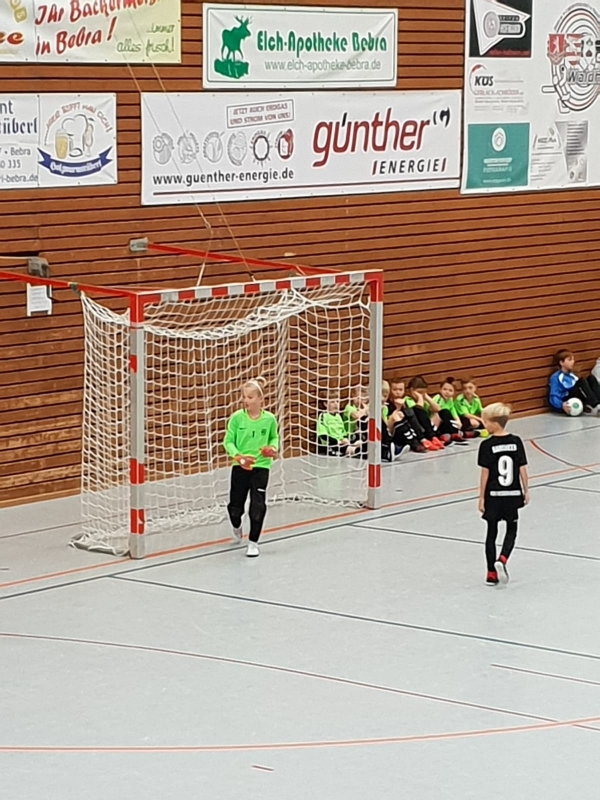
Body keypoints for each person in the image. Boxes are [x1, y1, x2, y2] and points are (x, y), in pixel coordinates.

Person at [223, 377, 279, 558]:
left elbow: (274, 438)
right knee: (235, 507)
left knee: (258, 505)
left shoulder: (269, 419)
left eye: (250, 397)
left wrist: (272, 449)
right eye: (244, 397)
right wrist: (238, 457)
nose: (246, 400)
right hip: (240, 467)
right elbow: (228, 441)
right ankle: (236, 524)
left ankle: (253, 542)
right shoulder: (237, 418)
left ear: (260, 399)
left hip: (261, 466)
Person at [477, 402, 529, 586]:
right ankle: (503, 558)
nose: (484, 425)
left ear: (494, 423)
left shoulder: (486, 445)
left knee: (491, 533)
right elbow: (522, 468)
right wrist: (526, 490)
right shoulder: (516, 442)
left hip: (493, 494)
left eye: (485, 422)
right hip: (512, 494)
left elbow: (485, 473)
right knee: (511, 529)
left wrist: (481, 497)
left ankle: (491, 573)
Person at [405, 376, 455, 447]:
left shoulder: (424, 400)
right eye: (419, 392)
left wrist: (427, 397)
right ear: (412, 390)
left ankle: (443, 434)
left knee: (438, 413)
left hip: (427, 426)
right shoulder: (408, 399)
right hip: (417, 428)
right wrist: (420, 397)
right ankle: (432, 436)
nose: (421, 395)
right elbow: (419, 410)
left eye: (423, 393)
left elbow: (438, 409)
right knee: (421, 412)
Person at [548, 349, 600, 414]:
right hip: (567, 400)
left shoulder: (572, 374)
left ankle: (598, 402)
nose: (573, 362)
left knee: (591, 378)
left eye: (573, 359)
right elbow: (553, 395)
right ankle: (595, 405)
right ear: (561, 362)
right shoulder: (555, 377)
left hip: (577, 396)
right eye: (569, 360)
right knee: (582, 382)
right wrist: (561, 405)